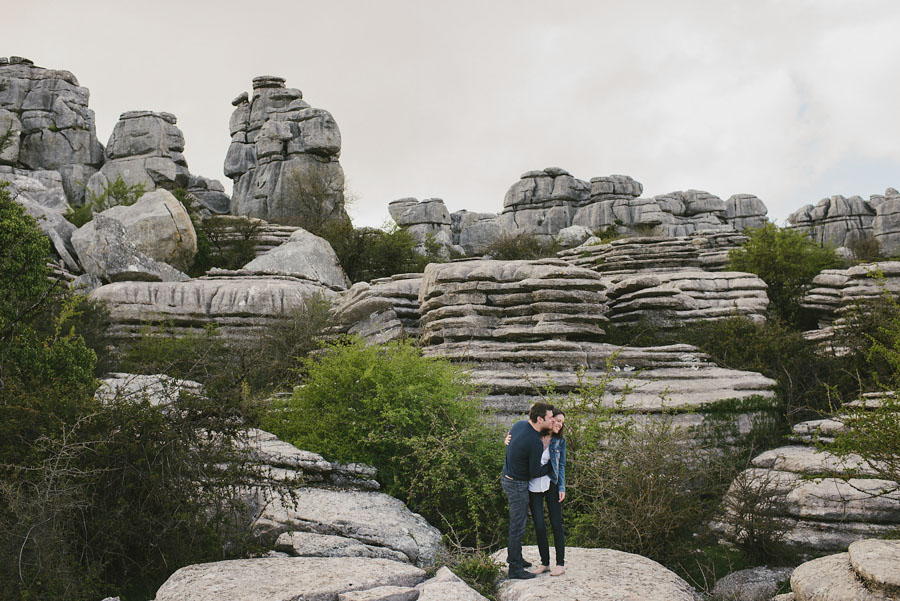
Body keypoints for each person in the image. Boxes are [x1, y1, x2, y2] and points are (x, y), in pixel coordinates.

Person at [501, 401, 555, 580]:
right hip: (517, 484)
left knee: (518, 523)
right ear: (540, 419)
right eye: (549, 418)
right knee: (518, 526)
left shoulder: (519, 424)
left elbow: (510, 441)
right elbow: (534, 472)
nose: (552, 420)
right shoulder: (535, 441)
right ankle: (515, 569)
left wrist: (505, 439)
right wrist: (550, 468)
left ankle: (514, 556)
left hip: (506, 477)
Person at [529, 409, 566, 576]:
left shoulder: (560, 440)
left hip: (551, 482)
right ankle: (545, 563)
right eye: (557, 420)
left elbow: (562, 465)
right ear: (549, 420)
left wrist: (562, 487)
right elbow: (517, 438)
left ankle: (560, 563)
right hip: (533, 484)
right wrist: (507, 440)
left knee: (556, 523)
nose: (559, 424)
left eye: (562, 423)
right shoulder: (534, 436)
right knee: (539, 525)